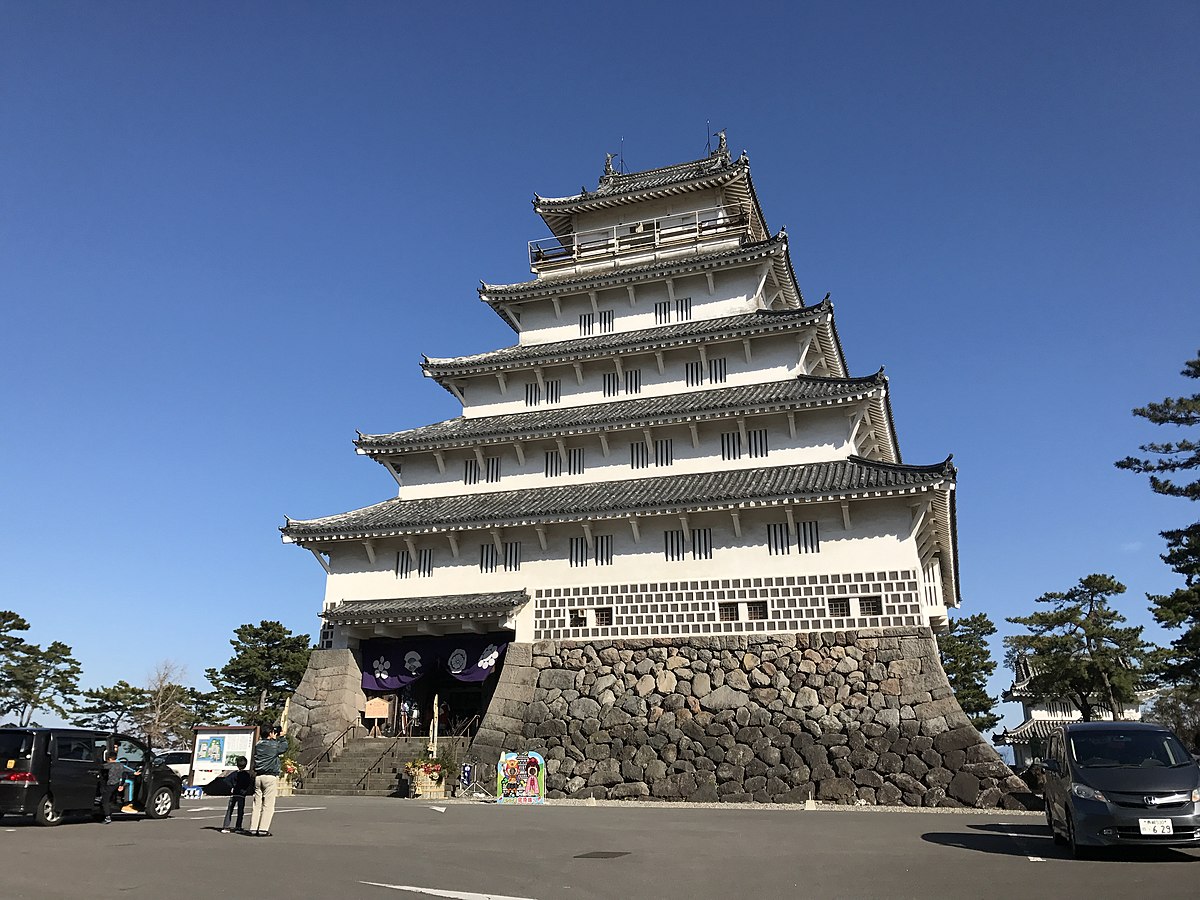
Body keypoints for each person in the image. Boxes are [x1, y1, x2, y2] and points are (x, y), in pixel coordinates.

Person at [249, 723, 288, 837]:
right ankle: (263, 829)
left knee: (257, 804)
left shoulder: (258, 745)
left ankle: (253, 828)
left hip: (258, 776)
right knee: (268, 805)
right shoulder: (274, 745)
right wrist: (281, 737)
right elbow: (284, 747)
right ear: (271, 733)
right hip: (270, 777)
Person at [221, 756, 254, 834]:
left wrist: (232, 786)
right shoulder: (246, 775)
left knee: (230, 810)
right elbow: (249, 783)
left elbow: (226, 780)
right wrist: (245, 790)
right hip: (241, 794)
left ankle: (226, 826)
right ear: (246, 765)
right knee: (240, 811)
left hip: (234, 794)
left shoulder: (234, 774)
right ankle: (238, 826)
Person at [98, 750, 124, 824]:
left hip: (110, 784)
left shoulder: (109, 765)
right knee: (110, 798)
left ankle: (107, 816)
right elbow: (126, 771)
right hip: (117, 784)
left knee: (105, 800)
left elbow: (100, 767)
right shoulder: (121, 765)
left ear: (109, 759)